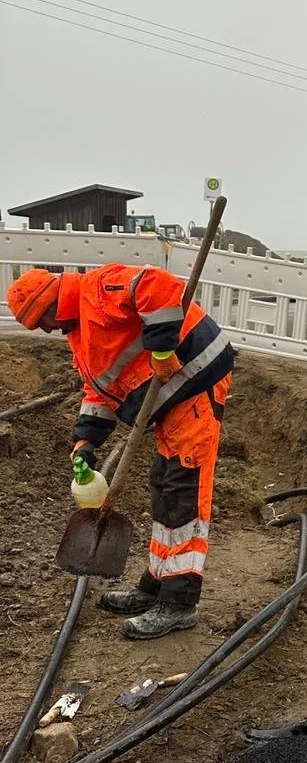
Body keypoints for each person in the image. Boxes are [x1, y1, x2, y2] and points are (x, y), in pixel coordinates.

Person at [6, 264, 236, 639]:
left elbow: (157, 286)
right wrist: (86, 442)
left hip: (194, 382)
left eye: (42, 319)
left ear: (52, 301)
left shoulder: (97, 289)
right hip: (170, 403)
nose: (45, 329)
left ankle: (179, 603)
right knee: (164, 488)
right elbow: (99, 392)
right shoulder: (79, 334)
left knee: (183, 494)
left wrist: (162, 348)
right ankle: (157, 585)